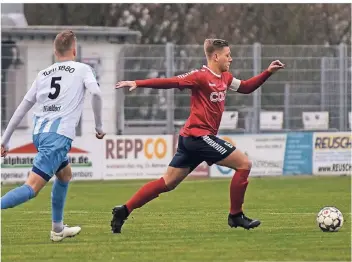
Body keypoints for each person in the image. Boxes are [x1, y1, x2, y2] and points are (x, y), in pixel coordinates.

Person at [112, 38, 284, 233]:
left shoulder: (225, 78)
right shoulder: (200, 76)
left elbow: (246, 87)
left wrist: (267, 72)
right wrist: (138, 83)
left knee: (167, 183)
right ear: (216, 56)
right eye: (228, 55)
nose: (231, 59)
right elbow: (172, 82)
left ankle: (123, 210)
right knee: (244, 164)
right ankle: (236, 216)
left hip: (192, 139)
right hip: (198, 137)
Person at [1, 30, 105, 242]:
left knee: (65, 175)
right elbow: (96, 93)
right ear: (74, 50)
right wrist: (99, 126)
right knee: (31, 188)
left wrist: (5, 140)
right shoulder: (83, 69)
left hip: (40, 134)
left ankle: (57, 229)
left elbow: (23, 107)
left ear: (55, 51)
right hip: (57, 137)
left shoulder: (43, 74)